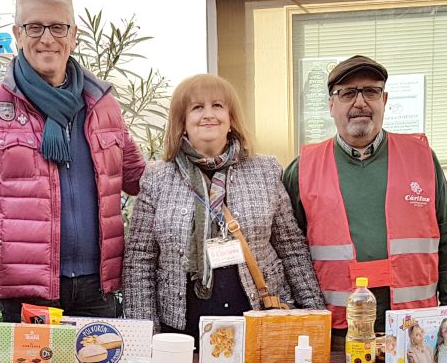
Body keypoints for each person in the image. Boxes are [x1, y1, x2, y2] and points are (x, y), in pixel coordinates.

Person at [0, 0, 145, 321]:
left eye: (58, 27)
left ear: (73, 35)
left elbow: (138, 180)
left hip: (96, 290)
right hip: (26, 297)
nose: (47, 38)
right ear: (17, 33)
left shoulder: (102, 105)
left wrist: (199, 162)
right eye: (35, 26)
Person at [123, 74, 325, 343]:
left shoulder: (265, 170)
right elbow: (140, 260)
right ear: (182, 122)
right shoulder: (157, 178)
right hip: (182, 329)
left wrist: (315, 316)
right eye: (197, 107)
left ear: (231, 119)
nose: (208, 114)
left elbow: (291, 247)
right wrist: (144, 339)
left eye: (217, 106)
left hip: (258, 320)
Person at [282, 55, 447, 339]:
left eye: (370, 91)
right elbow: (288, 252)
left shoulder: (422, 159)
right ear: (331, 104)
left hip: (413, 328)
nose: (360, 102)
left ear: (385, 100)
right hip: (336, 332)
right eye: (347, 93)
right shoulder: (302, 169)